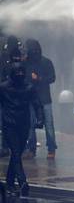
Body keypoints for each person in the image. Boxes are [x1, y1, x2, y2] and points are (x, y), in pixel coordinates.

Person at [0, 62, 44, 196]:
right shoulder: (3, 88)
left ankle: (9, 183)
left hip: (22, 125)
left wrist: (40, 118)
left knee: (16, 153)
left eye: (21, 72)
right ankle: (22, 181)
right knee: (16, 152)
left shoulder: (28, 88)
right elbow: (37, 104)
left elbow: (37, 104)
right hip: (11, 125)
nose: (19, 74)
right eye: (17, 72)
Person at [23, 39, 57, 159]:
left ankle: (49, 148)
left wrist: (39, 78)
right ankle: (34, 148)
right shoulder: (26, 63)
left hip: (42, 97)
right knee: (32, 124)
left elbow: (52, 78)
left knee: (47, 123)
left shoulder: (45, 62)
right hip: (35, 97)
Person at [0, 35, 22, 158]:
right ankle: (5, 146)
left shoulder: (9, 57)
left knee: (8, 122)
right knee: (6, 122)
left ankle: (8, 147)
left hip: (14, 95)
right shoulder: (4, 57)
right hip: (9, 95)